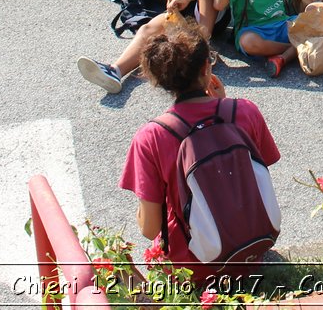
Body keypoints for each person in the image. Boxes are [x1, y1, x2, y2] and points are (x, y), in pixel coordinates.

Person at [114, 23, 280, 283]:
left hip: (193, 270)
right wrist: (225, 106)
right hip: (249, 253)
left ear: (158, 80)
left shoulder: (151, 137)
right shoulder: (245, 111)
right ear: (206, 67)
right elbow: (257, 167)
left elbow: (149, 228)